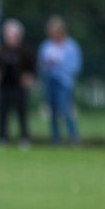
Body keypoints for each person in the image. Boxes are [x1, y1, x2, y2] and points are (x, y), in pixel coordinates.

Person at [0, 18, 37, 148]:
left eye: (12, 35)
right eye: (7, 35)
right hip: (4, 86)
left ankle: (24, 138)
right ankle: (1, 138)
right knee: (3, 112)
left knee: (21, 112)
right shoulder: (1, 50)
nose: (9, 38)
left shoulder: (26, 51)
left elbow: (32, 68)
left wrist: (29, 77)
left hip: (19, 87)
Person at [37, 16, 82, 144]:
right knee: (52, 111)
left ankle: (73, 137)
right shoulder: (46, 46)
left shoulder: (71, 46)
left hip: (64, 81)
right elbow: (41, 64)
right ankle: (55, 138)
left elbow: (75, 65)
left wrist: (59, 65)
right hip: (49, 80)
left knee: (65, 109)